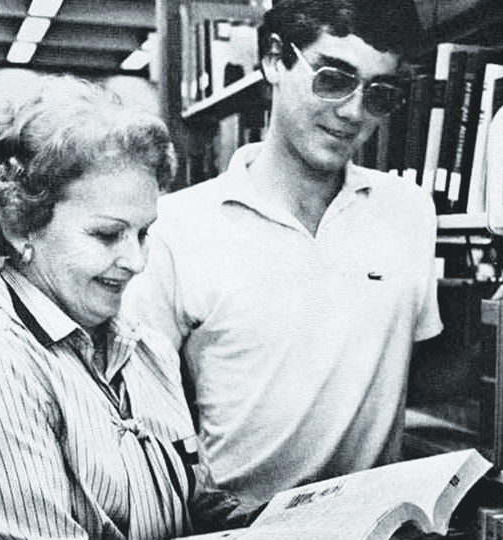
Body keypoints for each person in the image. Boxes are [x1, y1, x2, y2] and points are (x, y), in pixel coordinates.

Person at [122, 0, 443, 505]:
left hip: (377, 535)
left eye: (379, 94)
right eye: (334, 79)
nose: (354, 113)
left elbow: (422, 372)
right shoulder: (175, 228)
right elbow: (143, 415)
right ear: (274, 60)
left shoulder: (410, 213)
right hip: (235, 539)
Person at [0, 75, 255, 540]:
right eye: (108, 235)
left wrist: (273, 523)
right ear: (23, 224)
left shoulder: (147, 349)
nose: (137, 261)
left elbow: (192, 503)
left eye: (143, 233)